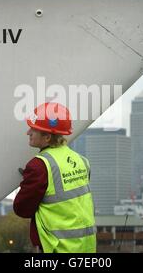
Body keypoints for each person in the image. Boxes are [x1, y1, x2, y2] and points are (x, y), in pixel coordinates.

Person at [13, 102, 96, 253]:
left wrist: (28, 183)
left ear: (47, 137)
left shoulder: (39, 166)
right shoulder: (82, 161)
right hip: (86, 247)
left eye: (34, 129)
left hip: (58, 247)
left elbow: (21, 209)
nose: (28, 132)